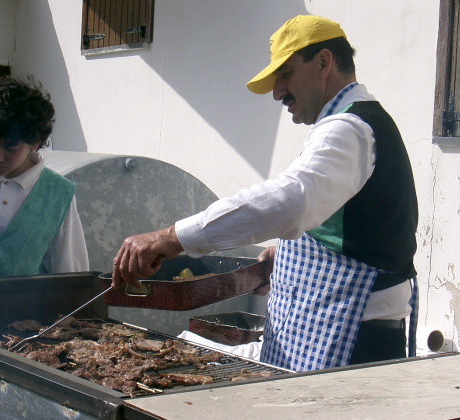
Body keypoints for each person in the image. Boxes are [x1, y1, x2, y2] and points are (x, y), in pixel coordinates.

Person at [112, 15, 419, 371]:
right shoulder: (353, 123)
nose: (277, 92)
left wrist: (174, 236)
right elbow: (346, 222)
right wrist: (290, 252)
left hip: (353, 334)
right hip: (339, 328)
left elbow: (292, 202)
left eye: (285, 74)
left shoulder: (348, 129)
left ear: (323, 62)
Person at [0, 74, 89, 278]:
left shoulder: (58, 195)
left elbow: (69, 276)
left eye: (10, 147)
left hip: (19, 310)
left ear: (34, 143)